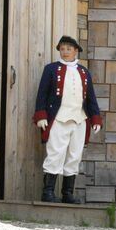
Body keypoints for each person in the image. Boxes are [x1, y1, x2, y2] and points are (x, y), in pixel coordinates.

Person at [33, 36, 103, 204]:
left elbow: (90, 98)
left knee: (74, 156)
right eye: (62, 49)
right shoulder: (51, 69)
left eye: (68, 49)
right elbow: (42, 94)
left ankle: (67, 193)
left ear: (75, 51)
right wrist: (41, 115)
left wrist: (96, 119)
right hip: (58, 119)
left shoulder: (84, 72)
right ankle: (48, 192)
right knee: (55, 153)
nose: (65, 52)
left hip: (79, 120)